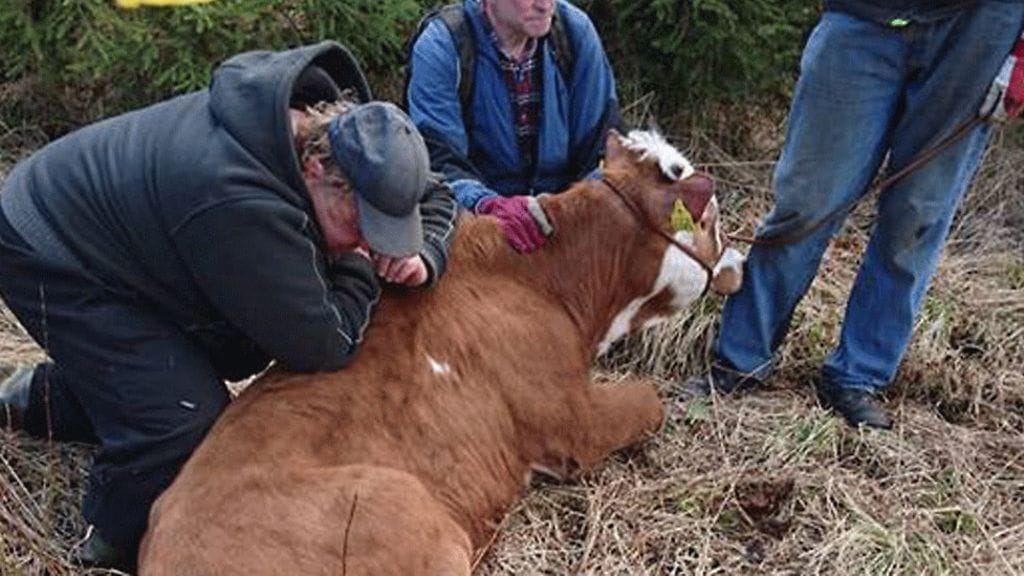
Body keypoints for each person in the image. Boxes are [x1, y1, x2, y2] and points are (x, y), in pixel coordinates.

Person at [0, 41, 457, 569]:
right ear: (316, 172)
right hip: (51, 249)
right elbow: (323, 342)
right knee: (181, 421)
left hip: (130, 242)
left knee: (213, 356)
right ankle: (101, 549)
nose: (374, 241)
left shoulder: (364, 151)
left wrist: (423, 253)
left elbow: (438, 196)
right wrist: (357, 265)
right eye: (362, 224)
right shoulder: (237, 198)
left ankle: (37, 398)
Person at [686, 1, 1024, 429]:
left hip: (978, 29)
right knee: (806, 201)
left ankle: (858, 375)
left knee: (917, 216)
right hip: (864, 16)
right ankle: (739, 360)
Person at [405, 0, 623, 252]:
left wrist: (566, 211)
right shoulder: (444, 44)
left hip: (564, 222)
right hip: (479, 228)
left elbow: (601, 146)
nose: (545, 5)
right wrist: (488, 204)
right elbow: (438, 162)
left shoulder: (574, 32)